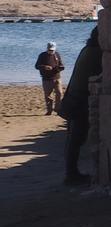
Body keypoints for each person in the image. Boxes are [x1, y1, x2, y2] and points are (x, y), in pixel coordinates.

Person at [59, 28, 102, 186]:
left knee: (73, 139)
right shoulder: (97, 52)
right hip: (80, 100)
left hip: (73, 98)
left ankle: (71, 173)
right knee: (77, 139)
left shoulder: (87, 49)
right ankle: (71, 175)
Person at [34, 41, 65, 115]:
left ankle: (57, 109)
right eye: (50, 50)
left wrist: (58, 69)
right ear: (47, 49)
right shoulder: (42, 55)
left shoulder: (57, 54)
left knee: (59, 93)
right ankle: (49, 110)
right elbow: (37, 66)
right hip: (46, 79)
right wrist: (44, 67)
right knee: (48, 95)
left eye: (52, 50)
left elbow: (62, 66)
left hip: (57, 78)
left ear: (55, 49)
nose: (51, 51)